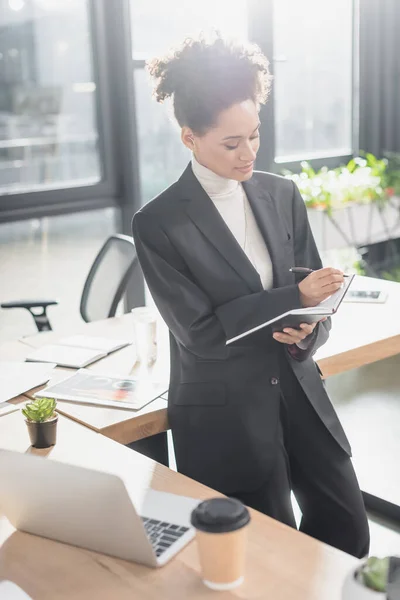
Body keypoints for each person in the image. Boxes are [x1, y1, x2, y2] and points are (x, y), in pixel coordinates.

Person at [132, 34, 369, 558]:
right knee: (265, 555)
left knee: (348, 533)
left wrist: (308, 327)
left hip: (300, 390)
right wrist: (292, 297)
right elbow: (198, 333)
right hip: (227, 412)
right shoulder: (158, 223)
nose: (249, 153)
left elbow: (313, 299)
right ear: (190, 138)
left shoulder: (280, 194)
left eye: (254, 136)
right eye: (231, 143)